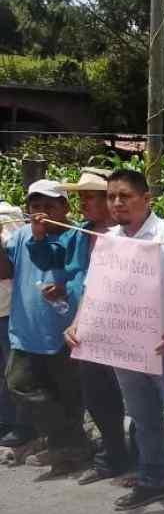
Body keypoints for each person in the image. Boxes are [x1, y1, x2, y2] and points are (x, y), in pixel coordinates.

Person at [66, 169, 164, 510]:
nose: (117, 203)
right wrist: (78, 324)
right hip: (125, 350)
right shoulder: (108, 241)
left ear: (146, 198)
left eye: (125, 196)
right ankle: (153, 481)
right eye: (111, 197)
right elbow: (94, 291)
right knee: (143, 418)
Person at [0, 179, 91, 476]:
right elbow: (5, 272)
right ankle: (70, 440)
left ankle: (66, 451)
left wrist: (63, 288)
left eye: (49, 205)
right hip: (25, 329)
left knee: (68, 391)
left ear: (64, 207)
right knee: (19, 383)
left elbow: (82, 277)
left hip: (64, 332)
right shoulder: (21, 235)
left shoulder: (77, 235)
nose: (42, 212)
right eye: (35, 206)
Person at [62, 169, 134, 485]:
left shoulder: (129, 235)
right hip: (88, 329)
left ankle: (146, 458)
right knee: (98, 398)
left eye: (89, 196)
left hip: (128, 329)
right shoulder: (77, 233)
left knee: (134, 399)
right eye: (80, 197)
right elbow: (63, 267)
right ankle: (113, 457)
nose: (83, 203)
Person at [0, 199, 37, 462]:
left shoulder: (7, 215)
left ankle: (22, 425)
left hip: (6, 310)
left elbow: (10, 267)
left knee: (13, 372)